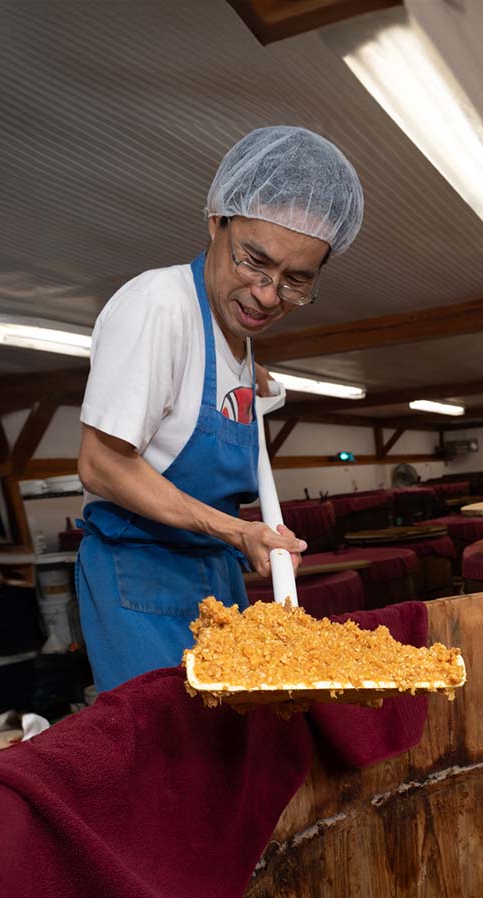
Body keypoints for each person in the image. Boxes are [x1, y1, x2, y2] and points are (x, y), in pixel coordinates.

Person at [75, 127, 364, 692]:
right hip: (143, 578)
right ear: (215, 221)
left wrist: (251, 382)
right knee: (173, 759)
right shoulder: (160, 307)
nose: (266, 294)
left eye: (295, 282)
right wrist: (237, 531)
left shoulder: (234, 335)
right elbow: (101, 465)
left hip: (212, 572)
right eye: (255, 261)